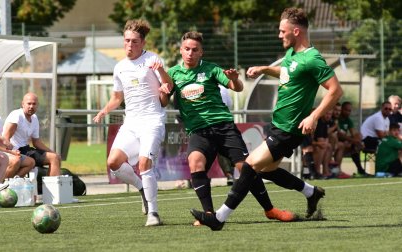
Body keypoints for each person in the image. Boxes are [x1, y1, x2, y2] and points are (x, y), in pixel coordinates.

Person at [191, 7, 343, 230]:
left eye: (283, 31)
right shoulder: (293, 54)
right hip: (279, 124)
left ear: (297, 31)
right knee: (266, 170)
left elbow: (335, 90)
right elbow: (287, 72)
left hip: (290, 128)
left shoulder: (313, 59)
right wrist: (264, 69)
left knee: (250, 165)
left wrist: (313, 116)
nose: (279, 35)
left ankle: (219, 218)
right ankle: (311, 192)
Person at [166, 31, 295, 226]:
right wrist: (162, 92)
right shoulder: (173, 73)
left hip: (224, 127)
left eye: (195, 50)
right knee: (195, 163)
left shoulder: (211, 69)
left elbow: (238, 87)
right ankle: (209, 214)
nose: (190, 53)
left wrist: (234, 79)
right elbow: (162, 100)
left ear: (201, 52)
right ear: (181, 51)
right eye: (186, 49)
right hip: (199, 131)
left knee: (246, 168)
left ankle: (270, 210)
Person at [92, 19, 171, 227]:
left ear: (143, 43)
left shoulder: (153, 59)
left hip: (152, 121)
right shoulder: (119, 67)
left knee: (145, 164)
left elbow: (168, 87)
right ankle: (142, 188)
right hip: (131, 124)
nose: (130, 45)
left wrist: (163, 81)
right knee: (113, 162)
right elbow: (117, 98)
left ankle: (153, 213)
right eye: (127, 40)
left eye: (134, 41)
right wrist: (104, 110)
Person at [3, 92, 61, 178]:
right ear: (23, 104)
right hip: (15, 150)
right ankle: (9, 182)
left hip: (26, 150)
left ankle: (52, 190)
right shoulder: (17, 115)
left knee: (54, 157)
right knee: (31, 162)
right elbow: (5, 138)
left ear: (37, 105)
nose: (31, 106)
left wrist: (52, 152)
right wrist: (12, 152)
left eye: (34, 104)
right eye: (29, 103)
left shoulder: (34, 118)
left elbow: (36, 142)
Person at [336, 101, 367, 176]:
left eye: (349, 110)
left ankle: (360, 170)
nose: (348, 112)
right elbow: (340, 135)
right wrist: (355, 141)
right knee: (344, 145)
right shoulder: (336, 119)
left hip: (345, 143)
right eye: (346, 110)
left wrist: (357, 140)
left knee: (354, 146)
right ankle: (337, 170)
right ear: (342, 109)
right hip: (335, 142)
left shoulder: (348, 120)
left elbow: (354, 133)